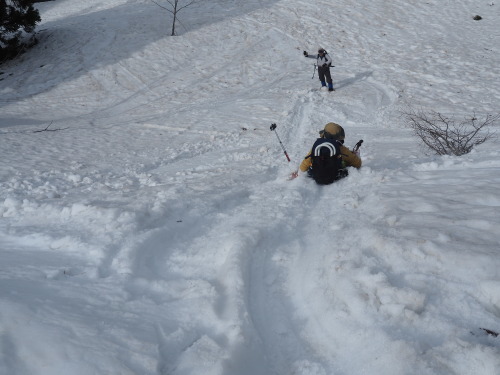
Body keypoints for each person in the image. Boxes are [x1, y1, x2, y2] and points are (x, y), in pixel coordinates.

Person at [291, 122, 361, 184]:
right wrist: (353, 155)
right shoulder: (341, 149)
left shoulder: (317, 146)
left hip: (316, 174)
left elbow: (303, 166)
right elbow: (357, 163)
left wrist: (299, 172)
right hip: (335, 175)